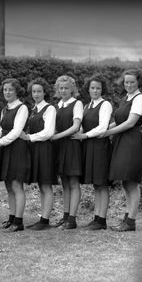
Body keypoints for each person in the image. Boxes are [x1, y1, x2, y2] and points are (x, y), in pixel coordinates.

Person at [101, 68, 142, 232]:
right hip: (121, 141)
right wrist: (103, 128)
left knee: (132, 182)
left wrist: (108, 132)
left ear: (138, 82)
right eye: (126, 82)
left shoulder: (140, 99)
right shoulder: (126, 98)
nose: (128, 85)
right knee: (125, 182)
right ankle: (126, 219)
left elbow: (129, 123)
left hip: (131, 142)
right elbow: (119, 120)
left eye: (132, 82)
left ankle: (131, 222)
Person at [72, 73, 112, 230]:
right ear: (88, 89)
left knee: (102, 184)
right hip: (89, 146)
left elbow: (103, 127)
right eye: (92, 88)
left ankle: (102, 220)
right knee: (96, 185)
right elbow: (83, 125)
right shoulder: (87, 106)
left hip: (100, 147)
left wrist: (84, 135)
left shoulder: (105, 105)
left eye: (98, 88)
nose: (95, 91)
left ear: (102, 89)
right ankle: (96, 217)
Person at [20, 77, 57, 231]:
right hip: (35, 149)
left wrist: (29, 137)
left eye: (39, 91)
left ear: (45, 92)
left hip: (45, 150)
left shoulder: (49, 109)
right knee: (41, 185)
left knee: (46, 184)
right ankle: (42, 218)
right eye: (34, 91)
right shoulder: (32, 109)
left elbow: (48, 132)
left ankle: (45, 221)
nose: (36, 94)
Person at [0, 78, 30, 232]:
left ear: (17, 91)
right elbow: (1, 130)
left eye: (10, 90)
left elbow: (16, 132)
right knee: (8, 185)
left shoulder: (22, 108)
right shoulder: (4, 109)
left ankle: (19, 222)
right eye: (5, 90)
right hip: (5, 148)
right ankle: (11, 217)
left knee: (16, 185)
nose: (7, 92)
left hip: (17, 149)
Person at [51, 75, 83, 230]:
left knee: (73, 182)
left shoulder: (77, 104)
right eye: (61, 88)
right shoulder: (57, 105)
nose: (63, 91)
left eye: (66, 88)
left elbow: (76, 126)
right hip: (59, 147)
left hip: (71, 146)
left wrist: (57, 135)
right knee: (64, 183)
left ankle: (72, 219)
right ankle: (65, 216)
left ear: (72, 89)